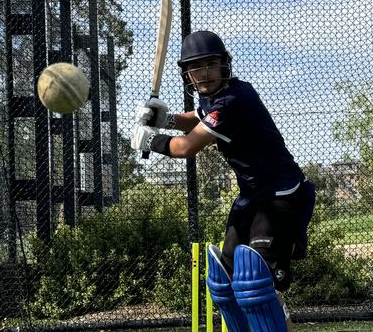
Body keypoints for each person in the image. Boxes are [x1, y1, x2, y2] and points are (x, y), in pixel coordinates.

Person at [131, 30, 315, 332]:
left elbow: (187, 146)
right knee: (224, 281)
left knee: (256, 282)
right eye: (194, 67)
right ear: (187, 73)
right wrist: (166, 119)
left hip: (281, 197)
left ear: (224, 65)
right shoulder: (213, 98)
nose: (202, 73)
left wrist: (152, 141)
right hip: (252, 196)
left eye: (209, 64)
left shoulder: (233, 99)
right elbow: (199, 115)